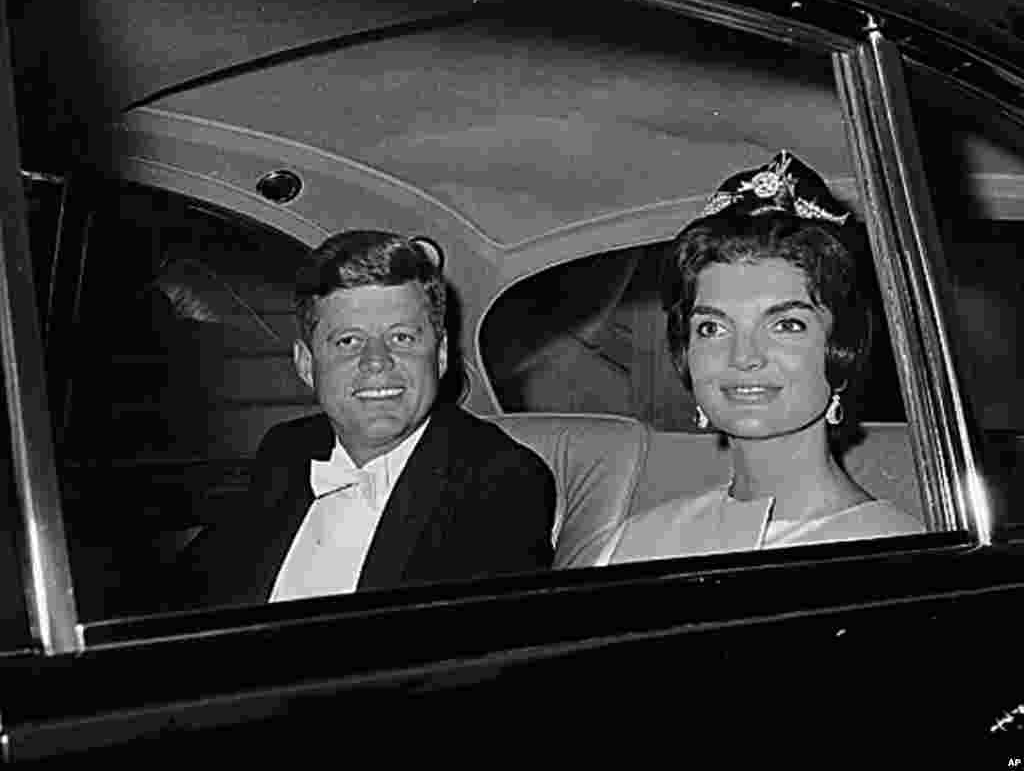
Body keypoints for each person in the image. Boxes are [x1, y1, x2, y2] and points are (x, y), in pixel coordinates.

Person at [179, 230, 555, 606]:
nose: (377, 362)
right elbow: (193, 589)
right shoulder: (288, 449)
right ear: (307, 365)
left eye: (402, 338)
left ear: (439, 356)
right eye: (349, 341)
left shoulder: (503, 479)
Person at [599, 150, 923, 565]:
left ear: (841, 347)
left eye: (786, 325)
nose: (743, 357)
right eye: (712, 328)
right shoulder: (633, 544)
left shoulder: (896, 558)